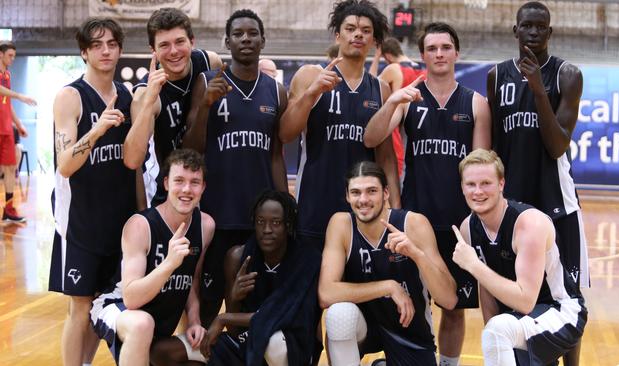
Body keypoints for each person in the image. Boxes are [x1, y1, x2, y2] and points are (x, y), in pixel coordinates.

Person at [364, 22, 491, 366]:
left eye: (445, 47)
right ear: (422, 55)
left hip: (457, 222)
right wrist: (393, 101)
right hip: (415, 220)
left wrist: (475, 220)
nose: (439, 54)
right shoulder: (409, 100)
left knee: (454, 306)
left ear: (456, 53)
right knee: (415, 304)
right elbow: (371, 138)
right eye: (432, 48)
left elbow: (480, 169)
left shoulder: (476, 103)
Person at [486, 3, 588, 363]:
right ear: (515, 31)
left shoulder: (567, 75)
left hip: (556, 203)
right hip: (514, 204)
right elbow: (497, 146)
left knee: (567, 297)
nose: (532, 33)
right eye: (526, 26)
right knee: (515, 292)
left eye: (540, 27)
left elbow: (557, 144)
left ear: (550, 32)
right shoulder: (497, 76)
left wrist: (538, 90)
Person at [183, 9, 288, 327]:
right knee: (210, 300)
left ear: (262, 40)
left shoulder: (276, 91)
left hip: (260, 219)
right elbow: (191, 150)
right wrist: (205, 107)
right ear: (226, 41)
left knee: (251, 300)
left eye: (252, 33)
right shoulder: (207, 82)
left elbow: (276, 156)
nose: (246, 38)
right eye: (239, 34)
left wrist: (286, 208)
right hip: (217, 214)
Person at [48, 18, 137, 366]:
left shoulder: (127, 97)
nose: (105, 50)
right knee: (80, 307)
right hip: (80, 222)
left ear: (119, 49)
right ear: (84, 51)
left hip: (118, 219)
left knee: (105, 305)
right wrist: (97, 129)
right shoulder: (70, 97)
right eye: (97, 45)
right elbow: (66, 164)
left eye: (112, 44)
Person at [279, 0, 400, 251]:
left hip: (363, 205)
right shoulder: (310, 75)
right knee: (313, 284)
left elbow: (386, 156)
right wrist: (311, 94)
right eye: (350, 28)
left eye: (366, 30)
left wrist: (396, 211)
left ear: (375, 41)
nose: (358, 34)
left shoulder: (380, 89)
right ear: (337, 34)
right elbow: (285, 133)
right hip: (315, 199)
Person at [452, 148, 587, 366]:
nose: (478, 191)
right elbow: (487, 288)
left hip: (561, 312)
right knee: (496, 331)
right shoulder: (468, 228)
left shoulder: (529, 224)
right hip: (519, 320)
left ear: (501, 184)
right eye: (471, 184)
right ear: (462, 187)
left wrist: (473, 265)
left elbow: (525, 301)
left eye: (486, 183)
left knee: (498, 331)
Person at [319, 161, 457, 366]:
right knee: (340, 315)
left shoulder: (413, 224)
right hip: (362, 328)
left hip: (409, 331)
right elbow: (326, 294)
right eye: (356, 192)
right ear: (347, 196)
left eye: (371, 191)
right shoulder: (341, 224)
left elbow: (449, 300)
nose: (363, 199)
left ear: (385, 193)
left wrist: (417, 255)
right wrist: (389, 286)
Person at [90, 148, 215, 366]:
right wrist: (168, 264)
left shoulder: (205, 226)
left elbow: (192, 282)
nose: (186, 189)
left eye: (195, 182)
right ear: (166, 184)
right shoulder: (141, 225)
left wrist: (194, 321)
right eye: (179, 181)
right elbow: (130, 297)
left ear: (203, 187)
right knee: (142, 324)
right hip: (118, 306)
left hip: (159, 322)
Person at [200, 190, 321, 366]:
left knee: (271, 343)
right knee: (172, 352)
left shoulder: (307, 259)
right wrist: (235, 297)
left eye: (276, 222)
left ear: (288, 225)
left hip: (291, 343)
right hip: (248, 340)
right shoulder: (238, 257)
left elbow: (277, 315)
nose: (267, 230)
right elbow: (235, 332)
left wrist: (223, 317)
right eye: (260, 222)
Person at [124, 7, 221, 207]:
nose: (174, 51)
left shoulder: (209, 62)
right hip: (171, 193)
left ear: (192, 41)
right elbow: (133, 161)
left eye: (179, 42)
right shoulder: (144, 93)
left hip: (209, 181)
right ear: (154, 51)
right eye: (164, 45)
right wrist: (150, 99)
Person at [368, 36, 426, 179]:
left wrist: (376, 58)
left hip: (396, 124)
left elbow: (369, 86)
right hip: (417, 123)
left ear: (386, 55)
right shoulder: (422, 69)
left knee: (392, 170)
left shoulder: (393, 68)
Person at [0, 41, 34, 222]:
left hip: (6, 128)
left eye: (14, 56)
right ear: (0, 54)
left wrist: (19, 124)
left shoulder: (7, 74)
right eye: (10, 55)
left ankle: (9, 209)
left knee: (11, 168)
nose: (12, 59)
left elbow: (7, 101)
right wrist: (20, 95)